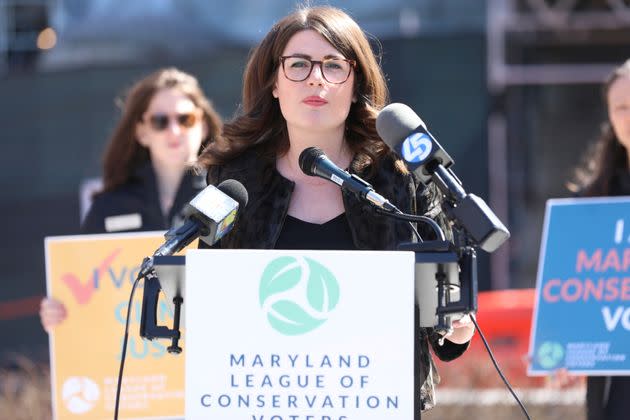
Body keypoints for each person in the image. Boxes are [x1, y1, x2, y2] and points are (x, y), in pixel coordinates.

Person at [196, 5, 475, 413]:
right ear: (274, 82)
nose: (316, 78)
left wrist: (457, 327)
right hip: (266, 398)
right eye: (299, 64)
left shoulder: (402, 178)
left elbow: (442, 320)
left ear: (354, 81)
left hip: (376, 400)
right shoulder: (236, 181)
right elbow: (213, 308)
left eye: (333, 65)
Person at [40, 67, 222, 332]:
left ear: (203, 124)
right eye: (160, 121)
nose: (174, 130)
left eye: (185, 119)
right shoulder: (108, 206)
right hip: (131, 365)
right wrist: (59, 312)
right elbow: (84, 290)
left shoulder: (224, 200)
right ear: (142, 132)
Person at [566, 59, 630, 420]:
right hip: (614, 395)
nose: (629, 116)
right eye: (621, 107)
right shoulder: (592, 201)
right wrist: (562, 347)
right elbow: (575, 292)